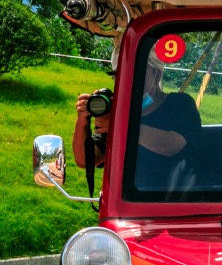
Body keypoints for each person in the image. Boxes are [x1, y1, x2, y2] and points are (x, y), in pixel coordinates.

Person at [74, 55, 202, 192]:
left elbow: (173, 145)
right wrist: (82, 121)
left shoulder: (180, 104)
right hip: (127, 204)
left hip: (178, 199)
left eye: (136, 73)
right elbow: (86, 160)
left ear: (157, 74)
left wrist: (121, 127)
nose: (127, 82)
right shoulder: (117, 112)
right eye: (119, 76)